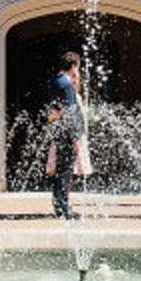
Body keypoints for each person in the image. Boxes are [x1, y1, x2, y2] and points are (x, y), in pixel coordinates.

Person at [45, 50, 86, 218]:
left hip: (58, 131)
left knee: (60, 170)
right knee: (66, 171)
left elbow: (54, 110)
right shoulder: (66, 84)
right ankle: (64, 208)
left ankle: (58, 206)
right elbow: (70, 112)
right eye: (78, 66)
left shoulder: (56, 80)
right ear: (73, 65)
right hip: (67, 133)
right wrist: (75, 137)